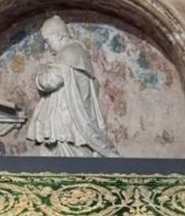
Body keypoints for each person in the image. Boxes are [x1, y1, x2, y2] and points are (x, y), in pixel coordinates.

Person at [24, 16, 119, 158]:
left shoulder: (70, 53)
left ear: (59, 36)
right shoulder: (76, 51)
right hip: (65, 126)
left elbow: (50, 81)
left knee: (74, 162)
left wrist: (39, 76)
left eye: (47, 41)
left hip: (70, 126)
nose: (46, 47)